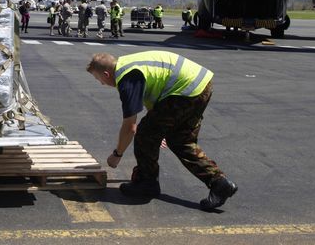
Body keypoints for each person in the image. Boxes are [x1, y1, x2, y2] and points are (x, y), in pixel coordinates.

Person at [86, 51, 237, 210]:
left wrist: (117, 154)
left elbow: (130, 127)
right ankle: (220, 183)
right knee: (181, 141)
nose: (101, 83)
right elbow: (156, 104)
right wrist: (161, 131)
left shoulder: (128, 78)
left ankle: (147, 183)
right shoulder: (128, 65)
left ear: (106, 73)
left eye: (99, 79)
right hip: (201, 84)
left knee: (144, 135)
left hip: (185, 89)